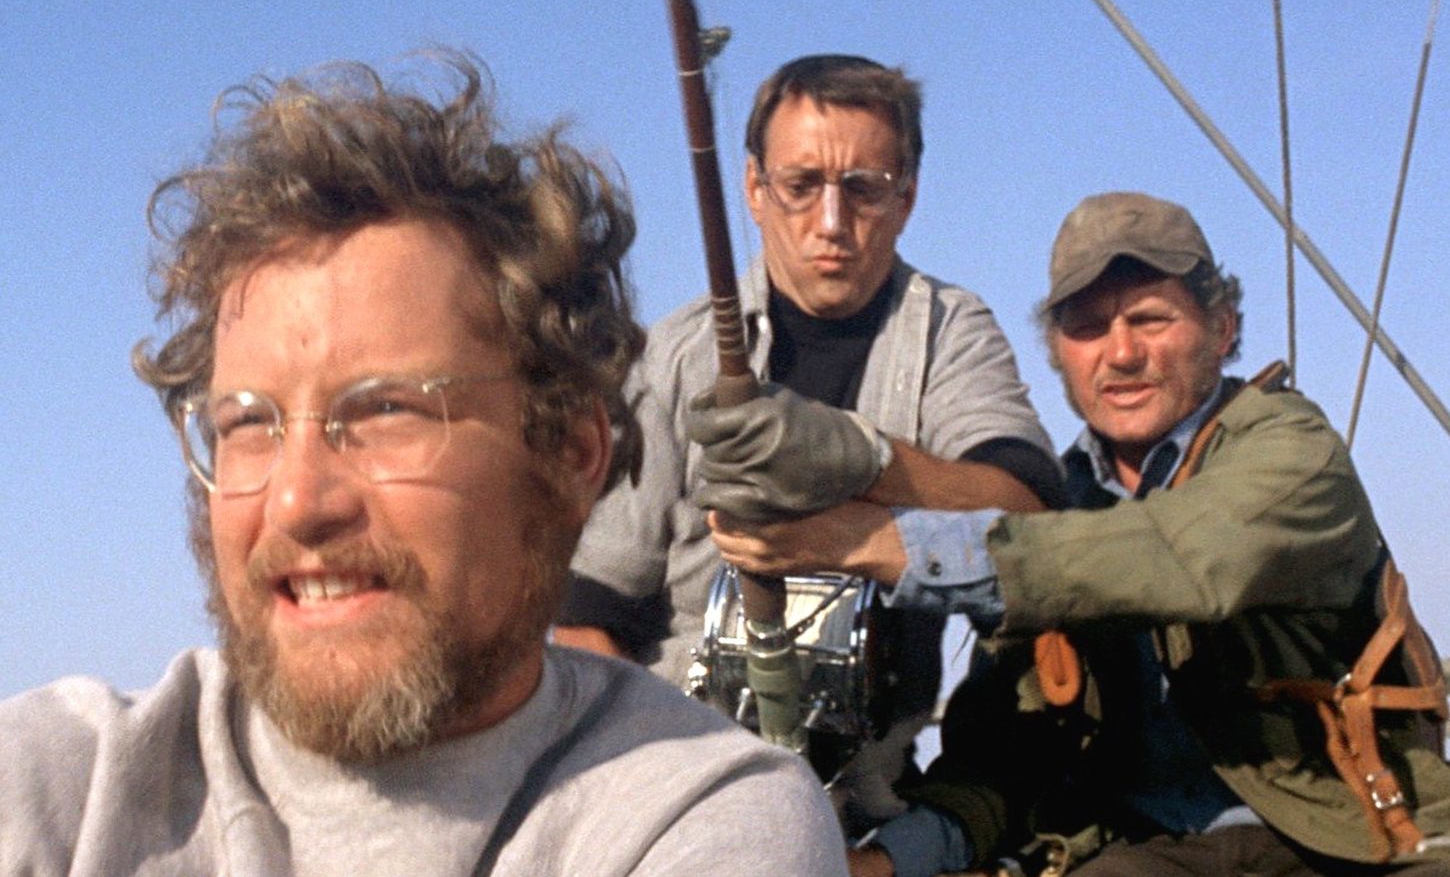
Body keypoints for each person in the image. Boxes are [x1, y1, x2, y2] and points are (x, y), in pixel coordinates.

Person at [0, 53, 848, 876]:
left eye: (385, 410)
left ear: (571, 453)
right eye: (248, 423)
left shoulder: (700, 813)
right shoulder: (56, 785)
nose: (296, 500)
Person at [693, 192, 1450, 875]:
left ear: (1222, 329)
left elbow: (1178, 556)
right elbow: (1004, 757)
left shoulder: (1292, 450)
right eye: (1086, 328)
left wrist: (870, 540)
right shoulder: (1058, 509)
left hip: (1354, 840)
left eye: (1150, 318)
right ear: (1058, 355)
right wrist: (885, 862)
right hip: (1140, 853)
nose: (1120, 353)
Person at [553, 55, 1061, 816]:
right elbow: (584, 617)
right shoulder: (671, 357)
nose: (831, 223)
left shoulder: (953, 332)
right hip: (676, 784)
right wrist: (651, 790)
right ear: (754, 190)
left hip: (867, 800)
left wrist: (867, 461)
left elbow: (1032, 518)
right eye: (801, 185)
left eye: (864, 188)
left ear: (907, 197)